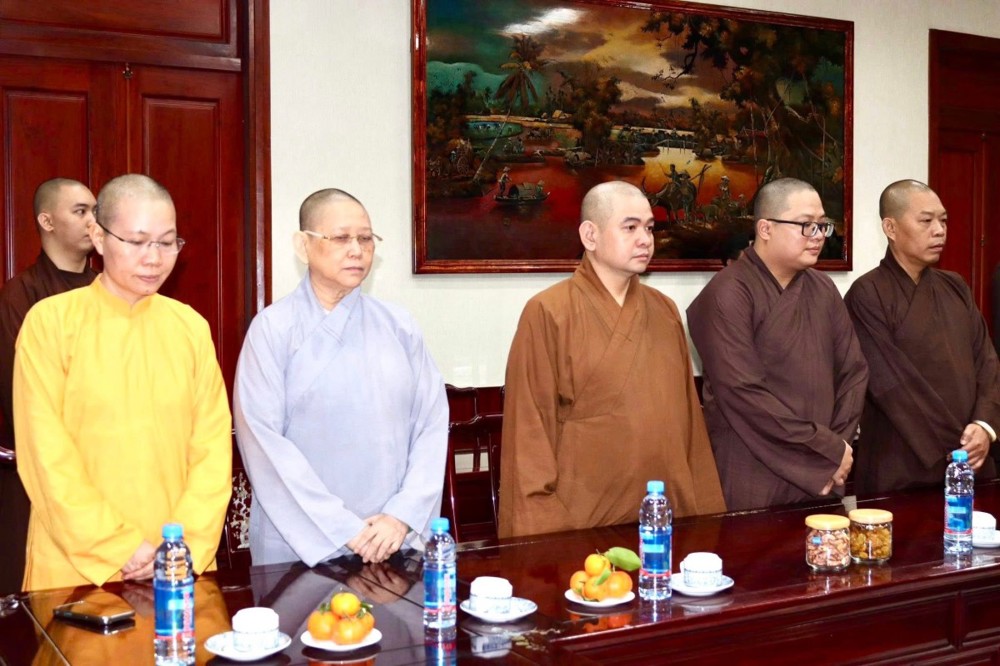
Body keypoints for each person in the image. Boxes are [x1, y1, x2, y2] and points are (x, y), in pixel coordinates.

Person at [14, 174, 232, 591]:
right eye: (136, 242)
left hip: (178, 561)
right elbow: (45, 455)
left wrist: (182, 543)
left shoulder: (189, 328)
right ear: (98, 237)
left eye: (166, 242)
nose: (154, 258)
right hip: (75, 564)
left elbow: (212, 449)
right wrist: (119, 546)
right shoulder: (50, 323)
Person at [498, 181, 726, 539]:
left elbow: (688, 423)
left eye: (649, 228)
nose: (645, 240)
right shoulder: (548, 312)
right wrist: (540, 530)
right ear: (590, 235)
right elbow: (529, 429)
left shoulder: (664, 311)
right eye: (630, 227)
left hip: (665, 512)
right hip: (583, 518)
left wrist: (706, 512)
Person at [233, 188, 447, 567]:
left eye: (365, 239)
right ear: (303, 246)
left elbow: (431, 426)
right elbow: (263, 443)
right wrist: (343, 528)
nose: (356, 250)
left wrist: (402, 515)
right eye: (341, 238)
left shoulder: (399, 326)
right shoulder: (272, 330)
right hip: (300, 542)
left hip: (393, 538)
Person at [686, 177, 868, 511]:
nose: (818, 236)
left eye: (822, 225)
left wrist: (838, 446)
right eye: (806, 225)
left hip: (826, 470)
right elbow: (742, 393)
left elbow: (853, 372)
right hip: (753, 465)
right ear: (766, 228)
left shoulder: (823, 288)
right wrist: (822, 448)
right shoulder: (727, 293)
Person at [844, 180, 1000, 493]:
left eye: (943, 220)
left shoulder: (955, 286)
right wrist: (959, 443)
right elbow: (890, 386)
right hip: (900, 463)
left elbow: (987, 361)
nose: (939, 230)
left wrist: (984, 425)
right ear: (890, 227)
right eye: (926, 221)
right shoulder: (867, 294)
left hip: (973, 457)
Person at [0, 178, 96, 594]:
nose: (93, 221)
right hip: (39, 473)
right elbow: (18, 396)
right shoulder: (20, 296)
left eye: (96, 211)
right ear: (47, 221)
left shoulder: (109, 292)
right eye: (80, 211)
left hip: (109, 469)